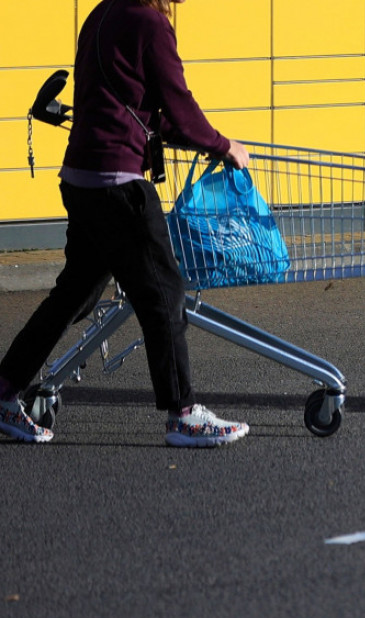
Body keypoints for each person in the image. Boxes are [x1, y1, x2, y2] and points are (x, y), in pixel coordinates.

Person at [0, 0, 250, 446]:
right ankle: (184, 415)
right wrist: (222, 143)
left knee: (72, 295)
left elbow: (132, 102)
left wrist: (174, 133)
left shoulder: (100, 15)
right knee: (164, 292)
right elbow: (177, 99)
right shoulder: (150, 22)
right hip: (118, 184)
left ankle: (2, 391)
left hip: (81, 177)